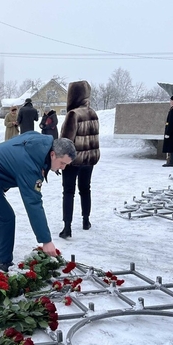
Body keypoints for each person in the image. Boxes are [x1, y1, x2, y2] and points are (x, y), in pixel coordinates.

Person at [0, 134, 76, 271]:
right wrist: (46, 240)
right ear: (53, 154)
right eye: (62, 163)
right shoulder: (30, 165)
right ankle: (4, 261)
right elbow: (33, 203)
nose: (63, 168)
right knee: (6, 216)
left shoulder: (40, 145)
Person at [59, 81, 100, 239]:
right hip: (89, 160)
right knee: (85, 189)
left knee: (68, 192)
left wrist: (60, 160)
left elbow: (65, 141)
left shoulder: (73, 114)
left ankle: (67, 227)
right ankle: (86, 220)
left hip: (73, 160)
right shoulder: (93, 113)